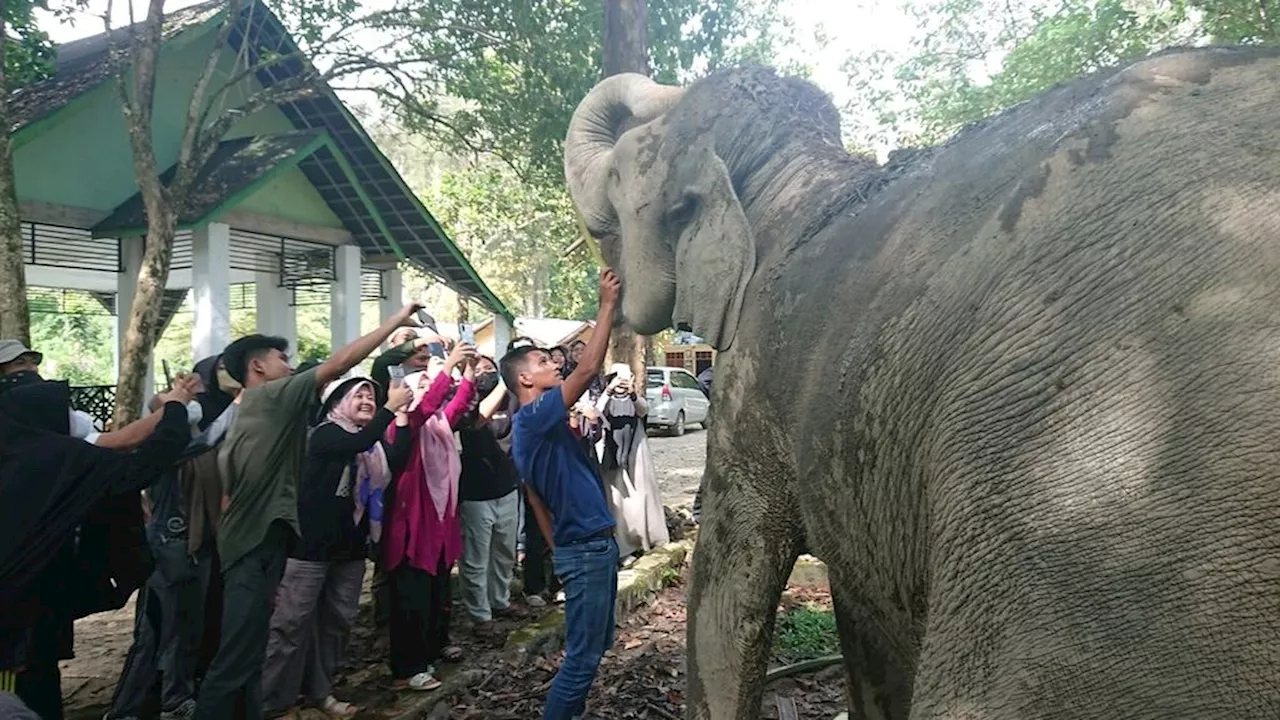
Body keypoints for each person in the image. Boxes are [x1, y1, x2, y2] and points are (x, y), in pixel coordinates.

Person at [194, 303, 428, 720]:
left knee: (247, 651)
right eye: (281, 358)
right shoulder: (270, 398)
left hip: (263, 539)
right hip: (256, 543)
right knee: (239, 654)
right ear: (257, 367)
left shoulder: (260, 412)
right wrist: (395, 320)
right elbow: (343, 361)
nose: (290, 366)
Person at [0, 374, 199, 720]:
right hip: (13, 621)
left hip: (31, 607)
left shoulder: (18, 455)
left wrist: (171, 407)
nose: (75, 417)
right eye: (66, 410)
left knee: (37, 676)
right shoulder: (57, 458)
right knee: (20, 686)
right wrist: (175, 413)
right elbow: (143, 463)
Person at [500, 269, 622, 720]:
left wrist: (561, 551)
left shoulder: (538, 427)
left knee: (591, 648)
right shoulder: (532, 419)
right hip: (586, 550)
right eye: (541, 361)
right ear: (524, 381)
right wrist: (606, 304)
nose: (553, 362)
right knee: (583, 659)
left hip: (586, 547)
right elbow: (588, 367)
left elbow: (534, 500)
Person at [261, 376, 415, 718]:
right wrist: (389, 408)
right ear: (335, 402)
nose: (367, 400)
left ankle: (320, 692)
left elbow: (398, 457)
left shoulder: (372, 448)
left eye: (371, 396)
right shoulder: (326, 434)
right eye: (357, 394)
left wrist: (400, 415)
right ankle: (273, 703)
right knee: (290, 625)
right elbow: (359, 440)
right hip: (310, 549)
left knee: (336, 623)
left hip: (350, 549)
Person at [107, 384, 239, 720]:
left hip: (194, 547)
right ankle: (146, 706)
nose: (188, 405)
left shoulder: (195, 442)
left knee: (176, 633)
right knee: (162, 635)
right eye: (176, 402)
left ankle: (157, 703)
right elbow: (207, 439)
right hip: (172, 550)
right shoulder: (166, 446)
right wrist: (242, 400)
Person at [383, 344, 476, 691]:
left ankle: (435, 648)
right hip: (412, 525)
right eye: (420, 382)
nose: (428, 386)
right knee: (412, 596)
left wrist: (466, 369)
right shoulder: (404, 424)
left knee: (438, 589)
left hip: (438, 520)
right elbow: (425, 405)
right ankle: (408, 667)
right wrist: (448, 364)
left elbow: (457, 403)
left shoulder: (438, 424)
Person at [457, 356, 521, 632]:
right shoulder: (463, 403)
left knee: (504, 550)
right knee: (475, 556)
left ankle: (500, 600)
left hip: (507, 484)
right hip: (474, 492)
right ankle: (480, 615)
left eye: (490, 368)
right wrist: (505, 382)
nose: (486, 373)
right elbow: (477, 420)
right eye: (478, 368)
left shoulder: (513, 398)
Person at [596, 365, 668, 562]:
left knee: (641, 497)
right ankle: (623, 548)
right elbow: (597, 412)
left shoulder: (635, 398)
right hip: (612, 456)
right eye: (616, 378)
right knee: (617, 502)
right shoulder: (606, 399)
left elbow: (643, 410)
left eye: (624, 378)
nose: (621, 383)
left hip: (635, 454)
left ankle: (645, 539)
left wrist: (633, 394)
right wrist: (608, 391)